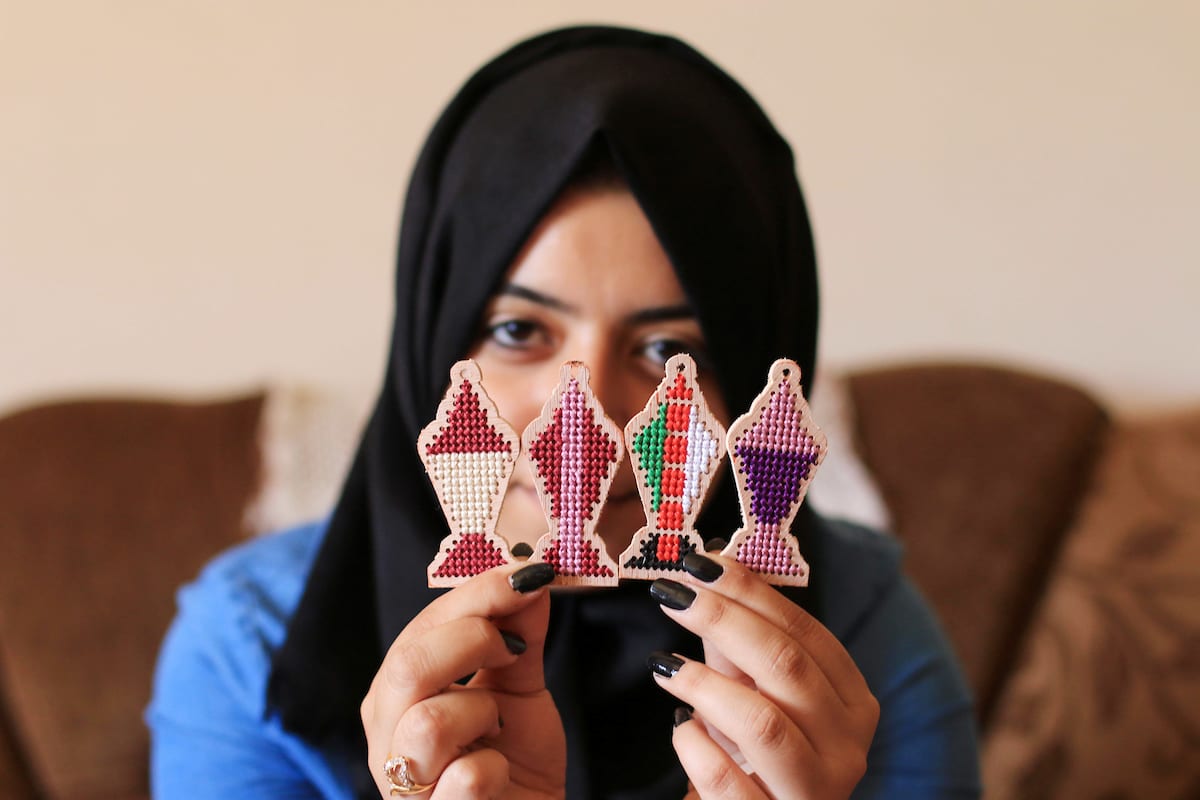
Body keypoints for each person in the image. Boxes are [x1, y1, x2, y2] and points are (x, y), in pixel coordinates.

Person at [147, 25, 982, 799]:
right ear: (430, 348)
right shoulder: (248, 646)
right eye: (518, 330)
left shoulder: (864, 639)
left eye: (667, 353)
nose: (586, 418)